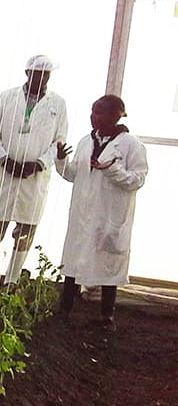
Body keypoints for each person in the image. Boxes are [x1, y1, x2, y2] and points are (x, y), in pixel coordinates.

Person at [0, 54, 68, 293]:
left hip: (34, 177)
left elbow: (59, 141)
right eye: (37, 73)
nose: (42, 78)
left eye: (46, 74)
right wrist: (4, 159)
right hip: (5, 173)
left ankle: (11, 280)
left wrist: (38, 164)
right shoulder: (7, 98)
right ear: (27, 73)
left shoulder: (57, 104)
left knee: (25, 230)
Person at [55, 95, 147, 327]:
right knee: (74, 259)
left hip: (109, 215)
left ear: (115, 115)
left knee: (108, 265)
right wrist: (61, 160)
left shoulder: (131, 145)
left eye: (98, 112)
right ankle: (65, 309)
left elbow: (137, 180)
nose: (92, 117)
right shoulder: (87, 141)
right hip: (83, 213)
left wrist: (112, 170)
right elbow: (73, 174)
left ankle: (107, 315)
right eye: (92, 111)